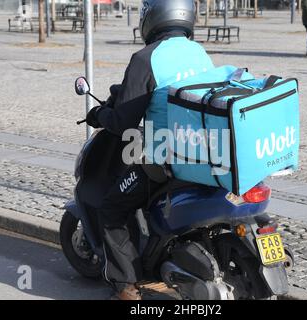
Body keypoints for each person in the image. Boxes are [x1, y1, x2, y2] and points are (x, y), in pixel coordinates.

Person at [84, 0, 214, 300]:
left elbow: (121, 121)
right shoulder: (198, 51)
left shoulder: (145, 58)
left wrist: (98, 115)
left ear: (151, 15)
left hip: (165, 161)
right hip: (205, 153)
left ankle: (126, 286)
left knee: (111, 208)